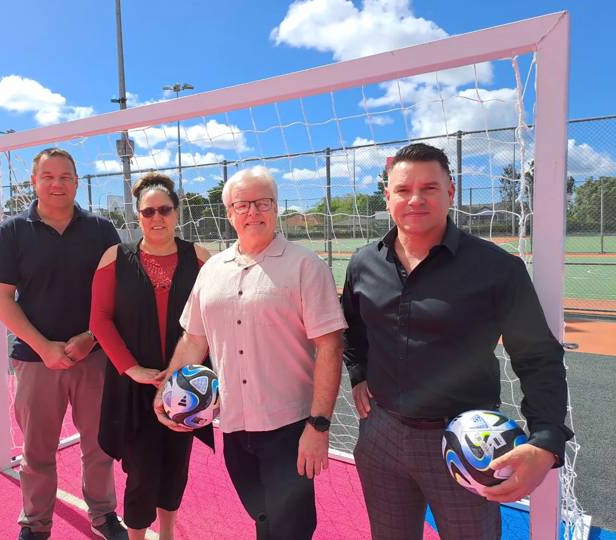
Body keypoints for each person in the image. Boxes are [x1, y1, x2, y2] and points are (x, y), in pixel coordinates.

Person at [341, 142, 574, 539]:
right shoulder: (363, 262)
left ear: (450, 192)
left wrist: (547, 440)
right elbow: (353, 327)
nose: (415, 199)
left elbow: (537, 357)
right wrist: (359, 371)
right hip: (380, 434)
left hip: (468, 443)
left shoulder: (496, 268)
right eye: (403, 189)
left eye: (429, 188)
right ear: (387, 196)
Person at [152, 166, 346, 540]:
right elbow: (194, 339)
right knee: (262, 518)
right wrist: (167, 390)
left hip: (290, 428)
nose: (253, 212)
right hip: (235, 424)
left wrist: (318, 426)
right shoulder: (212, 271)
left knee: (293, 526)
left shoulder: (306, 266)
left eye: (263, 203)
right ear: (229, 213)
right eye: (243, 205)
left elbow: (330, 345)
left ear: (275, 208)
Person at [0, 148, 127, 540]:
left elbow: (120, 295)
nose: (57, 183)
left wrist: (91, 338)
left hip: (94, 359)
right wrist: (45, 346)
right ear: (33, 182)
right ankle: (35, 523)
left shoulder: (100, 230)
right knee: (37, 452)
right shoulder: (12, 231)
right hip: (35, 360)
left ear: (77, 182)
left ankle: (102, 515)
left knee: (99, 447)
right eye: (48, 176)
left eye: (65, 176)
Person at [90, 173, 214, 540]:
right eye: (148, 211)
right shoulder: (116, 258)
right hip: (135, 386)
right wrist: (132, 369)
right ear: (138, 216)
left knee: (176, 466)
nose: (156, 217)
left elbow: (215, 317)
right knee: (141, 471)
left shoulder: (200, 258)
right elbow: (99, 319)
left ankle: (169, 534)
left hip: (185, 386)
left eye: (164, 209)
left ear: (177, 212)